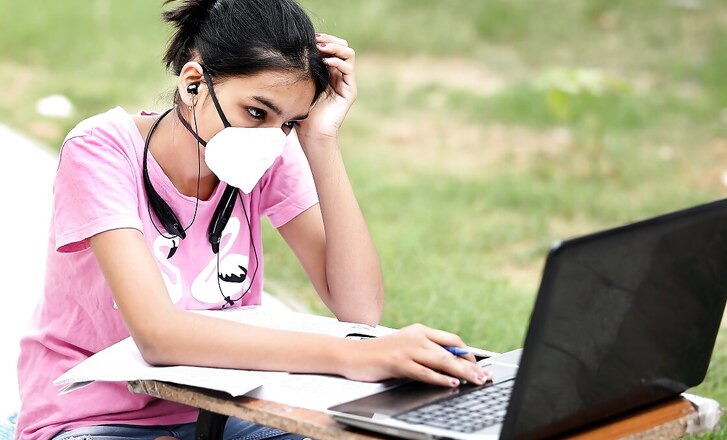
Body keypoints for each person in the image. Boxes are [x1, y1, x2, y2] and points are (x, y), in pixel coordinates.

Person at [14, 0, 491, 439]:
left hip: (223, 408)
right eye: (257, 111)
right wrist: (355, 356)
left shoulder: (268, 154)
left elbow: (359, 307)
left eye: (289, 123)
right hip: (97, 414)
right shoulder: (100, 151)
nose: (272, 137)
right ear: (193, 84)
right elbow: (158, 335)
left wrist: (321, 140)